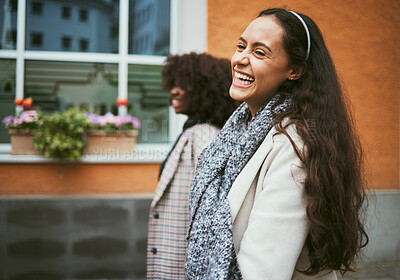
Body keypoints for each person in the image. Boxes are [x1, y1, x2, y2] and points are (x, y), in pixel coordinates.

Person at [185, 8, 368, 280]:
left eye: (259, 52)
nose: (240, 59)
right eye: (240, 46)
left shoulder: (294, 146)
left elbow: (263, 270)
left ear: (294, 70)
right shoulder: (240, 130)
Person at [146, 52, 238, 279]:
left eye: (183, 85)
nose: (173, 91)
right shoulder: (196, 131)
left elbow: (213, 210)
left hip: (184, 263)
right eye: (172, 83)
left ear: (205, 89)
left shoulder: (204, 136)